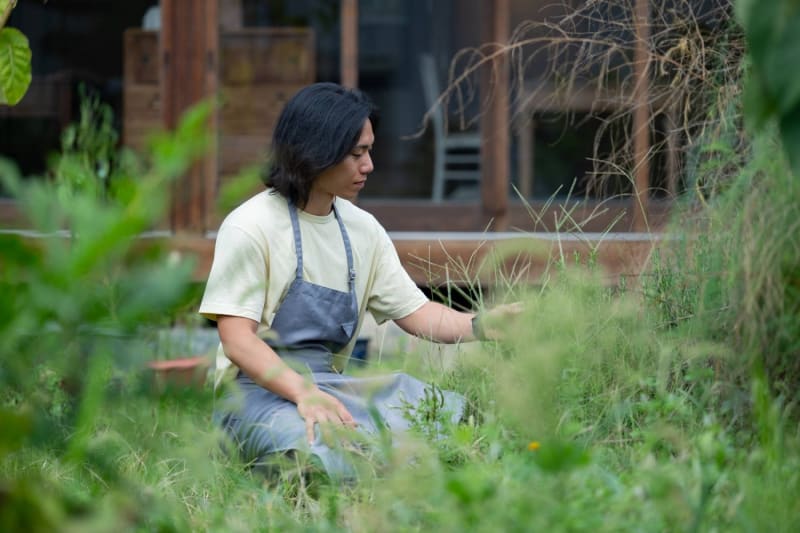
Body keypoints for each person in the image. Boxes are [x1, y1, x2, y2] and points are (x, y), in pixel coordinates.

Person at [199, 82, 509, 479]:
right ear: (315, 152)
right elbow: (237, 340)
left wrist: (484, 324)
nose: (369, 166)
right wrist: (302, 394)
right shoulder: (250, 226)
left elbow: (417, 313)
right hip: (254, 395)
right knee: (310, 450)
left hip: (331, 387)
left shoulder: (363, 230)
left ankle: (378, 461)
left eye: (369, 151)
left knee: (451, 414)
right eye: (356, 153)